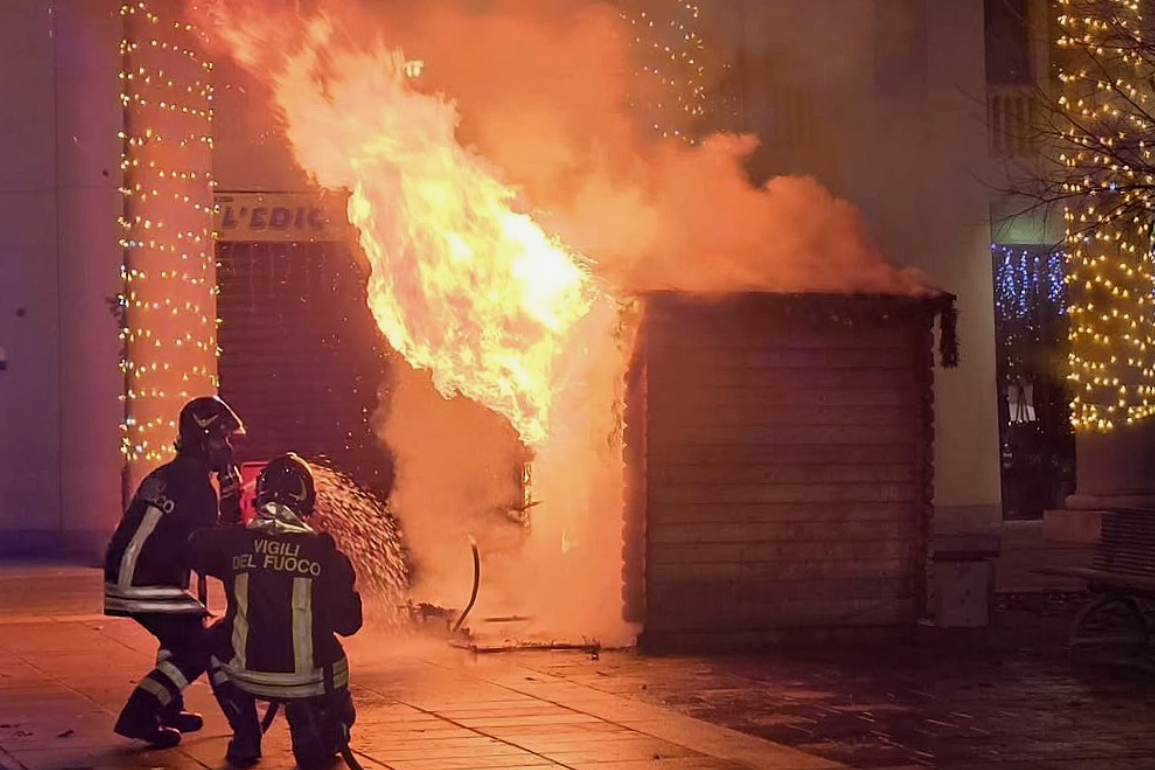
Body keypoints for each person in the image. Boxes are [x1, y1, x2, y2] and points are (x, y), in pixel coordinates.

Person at [191, 452, 363, 768]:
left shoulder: (233, 542)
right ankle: (324, 724)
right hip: (313, 678)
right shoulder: (324, 553)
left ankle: (245, 734)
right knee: (337, 698)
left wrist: (228, 512)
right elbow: (350, 624)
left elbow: (196, 548)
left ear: (260, 497)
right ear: (307, 500)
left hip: (246, 673)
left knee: (214, 635)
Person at [104, 395, 246, 747]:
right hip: (144, 580)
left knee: (181, 632)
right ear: (203, 440)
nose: (227, 448)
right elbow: (209, 549)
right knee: (200, 645)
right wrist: (231, 503)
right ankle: (141, 712)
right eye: (221, 439)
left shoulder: (174, 472)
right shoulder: (196, 484)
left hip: (133, 574)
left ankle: (169, 706)